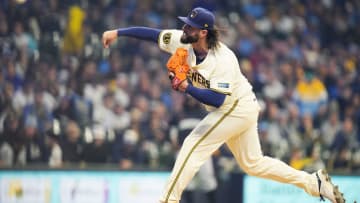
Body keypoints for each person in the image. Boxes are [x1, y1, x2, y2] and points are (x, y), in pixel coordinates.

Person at [102, 7, 345, 203]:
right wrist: (118, 32)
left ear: (204, 33)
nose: (184, 27)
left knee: (193, 142)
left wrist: (186, 87)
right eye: (185, 23)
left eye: (190, 26)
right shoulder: (183, 41)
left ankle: (167, 200)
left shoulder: (223, 59)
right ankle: (314, 184)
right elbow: (152, 34)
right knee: (254, 164)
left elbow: (218, 100)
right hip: (238, 107)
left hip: (235, 107)